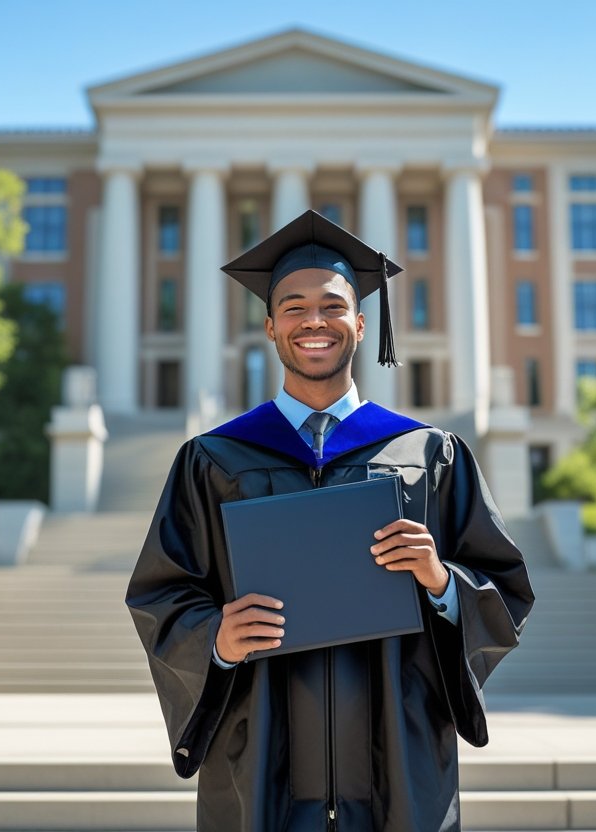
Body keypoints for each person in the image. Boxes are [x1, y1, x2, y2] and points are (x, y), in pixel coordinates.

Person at [125, 210, 534, 831]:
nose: (314, 321)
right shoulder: (213, 460)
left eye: (333, 306)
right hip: (261, 760)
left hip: (398, 759)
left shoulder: (428, 455)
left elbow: (503, 587)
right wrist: (217, 638)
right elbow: (161, 591)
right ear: (269, 326)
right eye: (293, 307)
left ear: (362, 323)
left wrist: (441, 581)